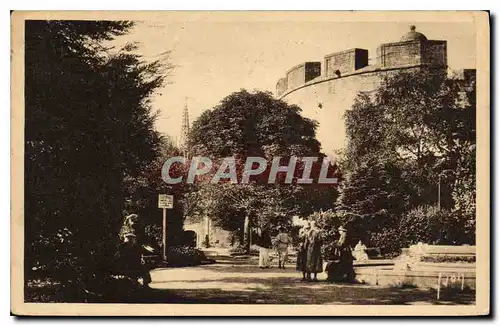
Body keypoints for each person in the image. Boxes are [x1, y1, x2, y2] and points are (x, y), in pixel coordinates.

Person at [117, 213, 152, 287]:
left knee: (140, 265)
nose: (134, 222)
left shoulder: (129, 229)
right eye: (133, 220)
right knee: (139, 266)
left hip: (131, 256)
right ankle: (141, 283)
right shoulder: (127, 229)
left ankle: (140, 283)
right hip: (129, 258)